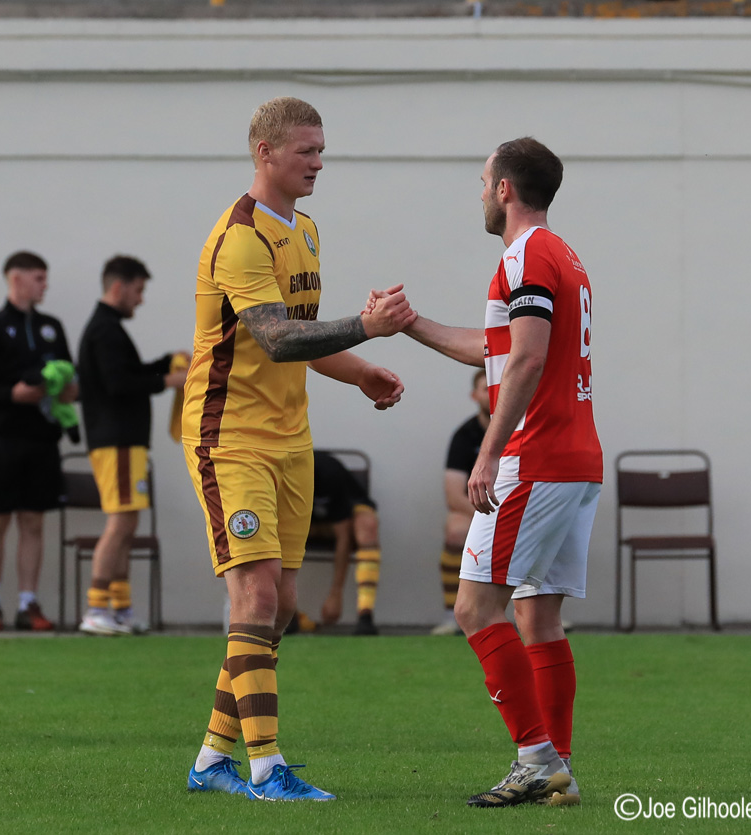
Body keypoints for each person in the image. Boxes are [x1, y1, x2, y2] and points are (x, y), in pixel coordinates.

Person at [181, 96, 415, 802]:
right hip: (230, 439)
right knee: (252, 594)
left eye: (321, 150)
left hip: (290, 439)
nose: (318, 162)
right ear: (266, 152)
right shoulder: (240, 237)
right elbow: (276, 337)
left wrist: (359, 368)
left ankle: (210, 760)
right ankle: (266, 768)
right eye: (306, 150)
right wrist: (367, 329)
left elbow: (303, 342)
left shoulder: (304, 231)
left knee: (279, 605)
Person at [378, 137, 602, 807]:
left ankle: (534, 757)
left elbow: (526, 361)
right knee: (538, 616)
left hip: (535, 458)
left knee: (475, 605)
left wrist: (489, 451)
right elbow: (498, 346)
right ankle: (557, 769)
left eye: (483, 181)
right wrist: (409, 323)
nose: (479, 192)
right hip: (575, 458)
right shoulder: (563, 254)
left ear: (505, 188)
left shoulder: (526, 253)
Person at [0, 251, 78, 631]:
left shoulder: (52, 327)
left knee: (33, 521)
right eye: (39, 278)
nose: (45, 286)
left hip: (42, 439)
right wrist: (12, 394)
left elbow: (67, 376)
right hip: (2, 438)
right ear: (16, 279)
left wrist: (70, 391)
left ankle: (28, 604)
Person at [76, 255, 189, 636]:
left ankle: (120, 607)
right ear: (119, 286)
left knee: (128, 522)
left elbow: (130, 372)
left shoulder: (109, 329)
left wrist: (164, 364)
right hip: (116, 440)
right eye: (139, 290)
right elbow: (117, 384)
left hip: (125, 442)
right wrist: (169, 381)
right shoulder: (104, 330)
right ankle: (95, 607)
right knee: (121, 522)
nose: (141, 300)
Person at [431, 369, 489, 636]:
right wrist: (491, 514)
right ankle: (451, 614)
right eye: (485, 388)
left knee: (543, 527)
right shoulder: (464, 437)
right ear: (474, 395)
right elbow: (454, 497)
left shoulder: (525, 430)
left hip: (521, 509)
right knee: (455, 530)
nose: (493, 393)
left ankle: (541, 614)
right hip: (479, 510)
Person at [310, 449, 381, 636]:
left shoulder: (328, 473)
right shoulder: (279, 478)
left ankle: (365, 614)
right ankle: (284, 613)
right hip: (308, 522)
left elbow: (343, 536)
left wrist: (336, 593)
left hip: (346, 514)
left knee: (367, 526)